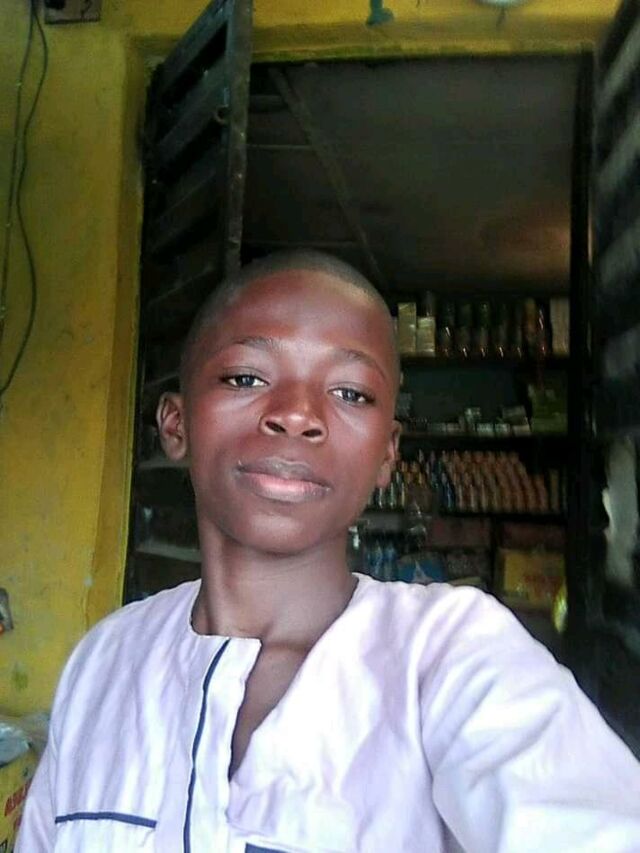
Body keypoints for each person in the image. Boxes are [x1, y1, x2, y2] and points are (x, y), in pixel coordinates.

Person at [17, 251, 640, 852]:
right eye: (246, 378)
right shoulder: (106, 660)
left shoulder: (450, 655)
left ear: (387, 454)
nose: (296, 415)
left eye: (351, 393)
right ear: (176, 425)